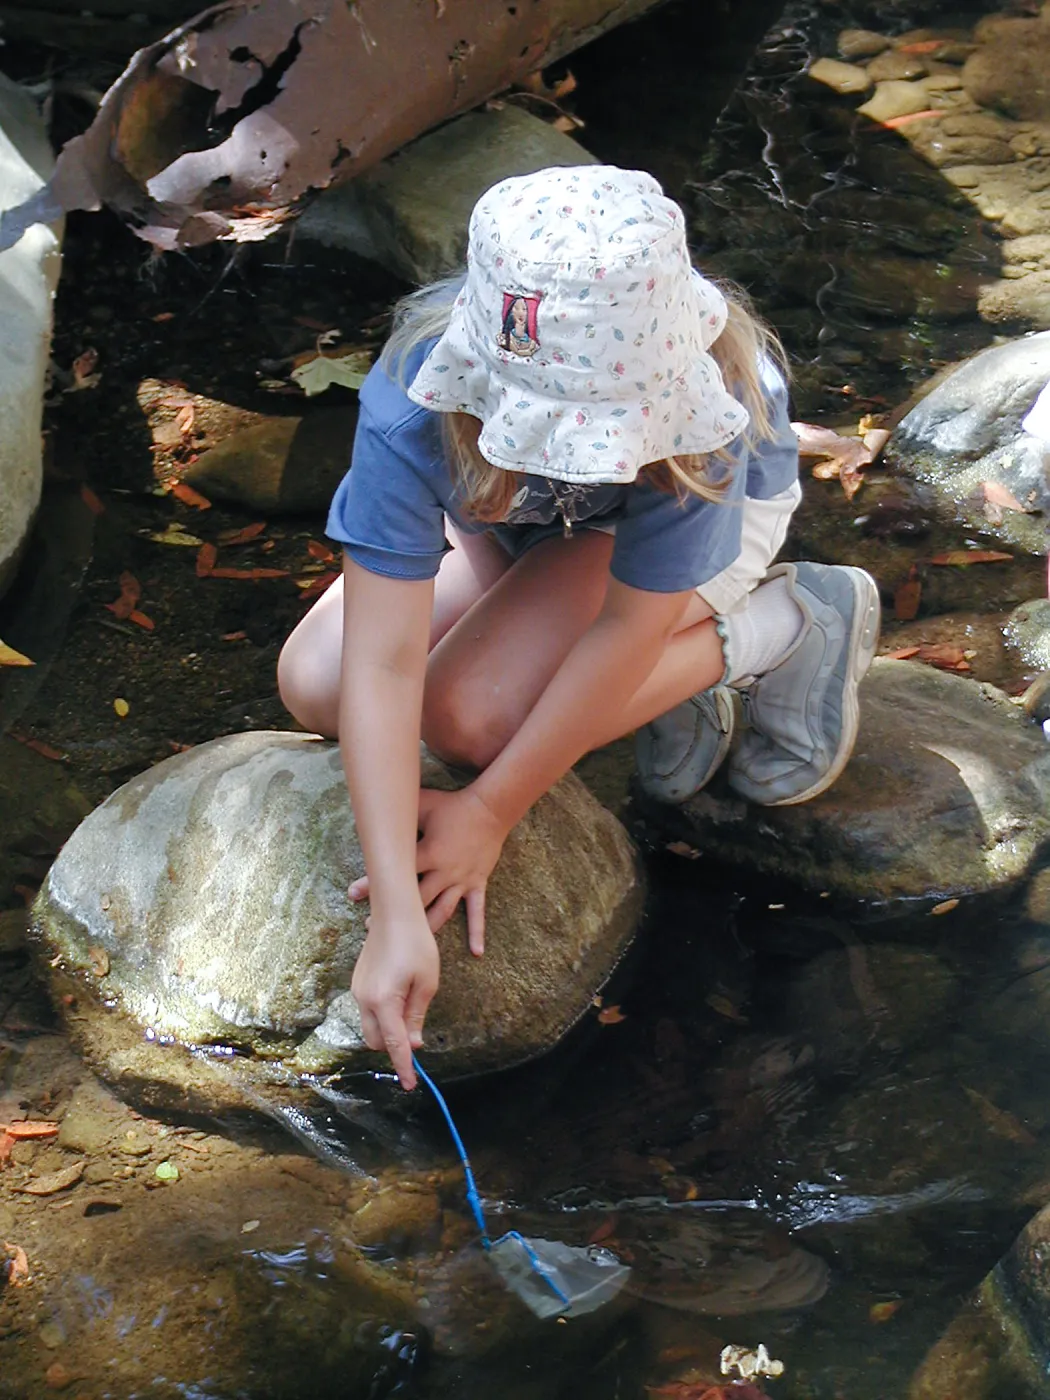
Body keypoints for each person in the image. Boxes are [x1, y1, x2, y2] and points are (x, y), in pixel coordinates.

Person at [277, 165, 880, 1091]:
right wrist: (394, 906)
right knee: (315, 683)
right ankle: (583, 636)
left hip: (688, 531)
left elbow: (627, 629)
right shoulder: (419, 397)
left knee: (473, 720)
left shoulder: (704, 409)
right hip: (520, 520)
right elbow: (381, 660)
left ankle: (782, 626)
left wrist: (489, 812)